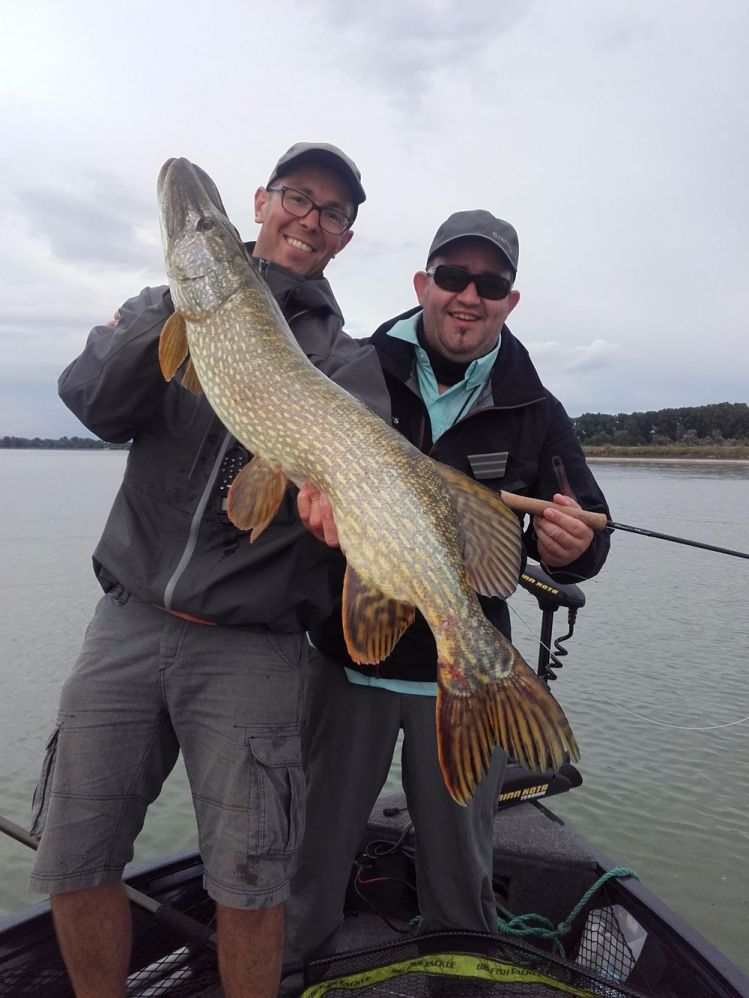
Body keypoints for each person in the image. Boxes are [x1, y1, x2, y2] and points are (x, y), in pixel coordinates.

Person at [28, 142, 390, 998]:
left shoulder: (347, 363)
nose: (310, 219)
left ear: (342, 238)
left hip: (252, 648)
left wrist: (341, 520)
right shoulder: (162, 311)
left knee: (251, 879)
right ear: (261, 204)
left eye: (331, 213)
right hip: (125, 624)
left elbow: (355, 499)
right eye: (297, 198)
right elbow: (94, 403)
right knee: (76, 856)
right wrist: (173, 311)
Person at [282, 209, 611, 986]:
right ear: (423, 283)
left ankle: (460, 983)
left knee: (462, 881)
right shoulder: (352, 367)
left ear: (510, 300)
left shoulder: (535, 409)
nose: (469, 295)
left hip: (459, 677)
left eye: (489, 283)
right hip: (344, 656)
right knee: (309, 866)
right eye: (454, 277)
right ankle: (297, 977)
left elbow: (587, 531)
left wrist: (577, 545)